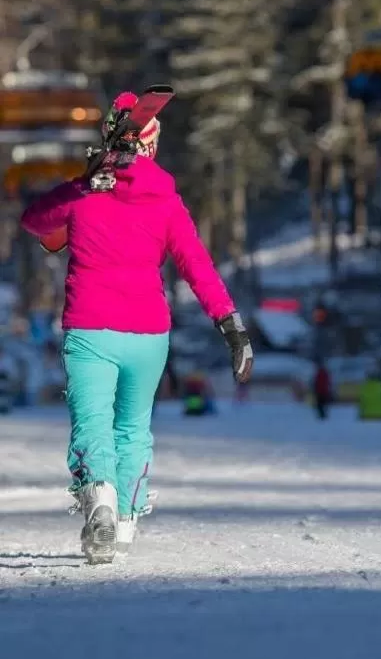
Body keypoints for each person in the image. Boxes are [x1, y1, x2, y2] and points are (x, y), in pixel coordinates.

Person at [19, 91, 253, 564]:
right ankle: (124, 522)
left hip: (91, 329)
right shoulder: (166, 201)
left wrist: (80, 187)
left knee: (93, 423)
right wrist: (231, 325)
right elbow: (198, 267)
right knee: (132, 428)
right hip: (149, 335)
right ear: (153, 145)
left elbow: (34, 222)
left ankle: (100, 502)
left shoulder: (85, 192)